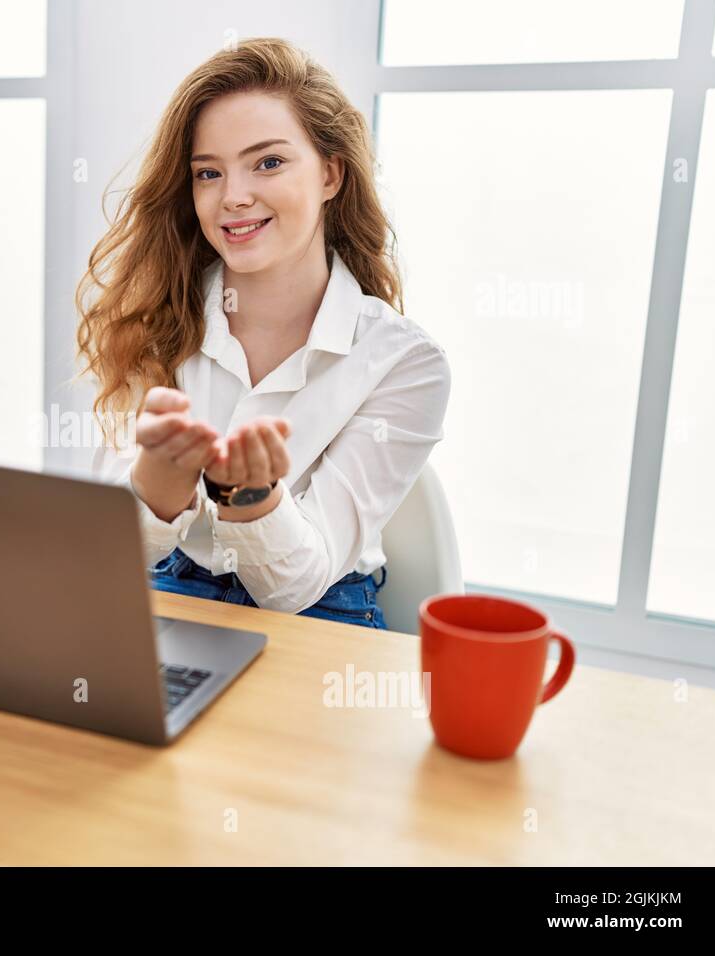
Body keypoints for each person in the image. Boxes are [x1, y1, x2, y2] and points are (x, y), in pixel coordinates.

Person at [76, 38, 451, 630]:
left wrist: (251, 501)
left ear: (330, 173)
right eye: (208, 173)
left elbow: (296, 586)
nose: (234, 197)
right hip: (166, 581)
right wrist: (156, 489)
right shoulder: (154, 320)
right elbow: (108, 555)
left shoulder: (405, 361)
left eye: (268, 162)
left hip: (321, 608)